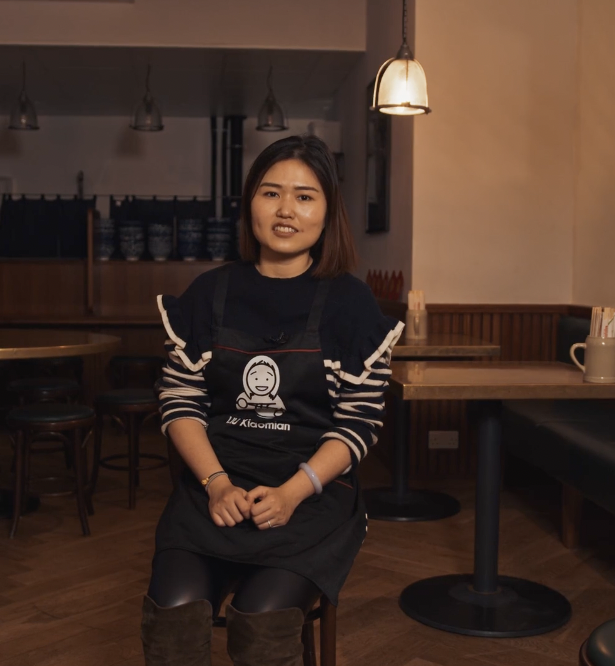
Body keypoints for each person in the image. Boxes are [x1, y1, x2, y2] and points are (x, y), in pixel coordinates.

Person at [142, 134, 403, 666]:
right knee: (172, 617)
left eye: (305, 196)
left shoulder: (350, 303)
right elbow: (180, 401)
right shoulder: (209, 292)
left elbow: (359, 421)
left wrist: (291, 493)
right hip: (213, 490)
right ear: (250, 206)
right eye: (271, 193)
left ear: (328, 213)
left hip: (309, 499)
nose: (287, 210)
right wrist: (216, 485)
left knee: (263, 624)